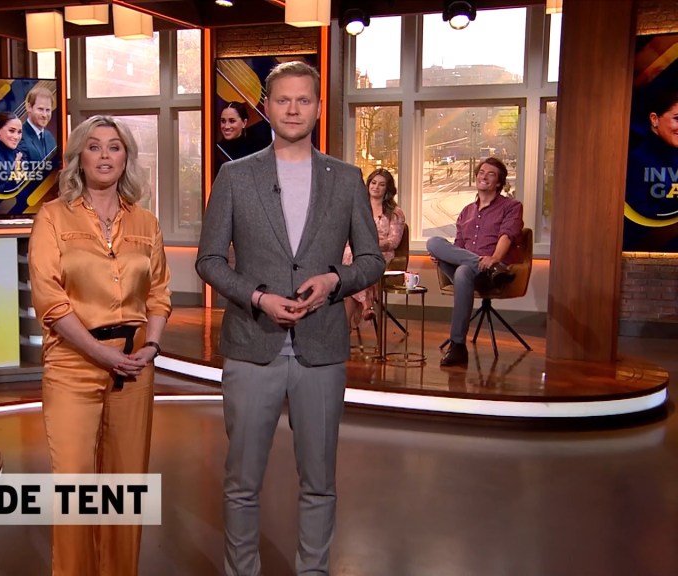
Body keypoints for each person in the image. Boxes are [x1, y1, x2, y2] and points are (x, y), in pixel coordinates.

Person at [196, 62, 385, 576]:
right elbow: (209, 260)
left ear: (319, 108)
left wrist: (333, 281)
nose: (294, 109)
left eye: (304, 100)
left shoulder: (346, 179)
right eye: (283, 100)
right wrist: (258, 297)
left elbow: (372, 260)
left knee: (320, 482)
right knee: (242, 482)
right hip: (251, 344)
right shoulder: (235, 176)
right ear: (267, 108)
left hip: (321, 347)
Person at [28, 115, 171, 576]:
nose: (105, 155)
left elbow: (159, 294)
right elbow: (50, 300)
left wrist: (151, 346)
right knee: (74, 488)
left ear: (126, 157)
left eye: (114, 147)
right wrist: (99, 352)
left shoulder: (146, 222)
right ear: (79, 158)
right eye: (94, 146)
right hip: (72, 364)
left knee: (126, 488)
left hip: (135, 366)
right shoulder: (52, 217)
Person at [426, 157, 523, 367]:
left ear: (499, 182)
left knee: (463, 272)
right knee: (433, 243)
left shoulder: (511, 206)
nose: (484, 176)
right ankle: (489, 267)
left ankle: (458, 346)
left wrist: (495, 259)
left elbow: (507, 234)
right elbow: (458, 245)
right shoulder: (466, 211)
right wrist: (444, 255)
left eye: (491, 174)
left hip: (488, 275)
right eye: (481, 172)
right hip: (474, 267)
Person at [342, 168, 405, 328]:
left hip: (382, 255)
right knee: (353, 257)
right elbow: (347, 235)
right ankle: (366, 305)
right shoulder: (357, 208)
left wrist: (370, 245)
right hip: (355, 252)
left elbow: (393, 242)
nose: (376, 187)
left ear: (387, 189)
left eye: (381, 184)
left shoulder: (395, 213)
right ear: (368, 184)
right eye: (373, 183)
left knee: (360, 264)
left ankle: (346, 328)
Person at [625, 89, 678, 248]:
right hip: (643, 247)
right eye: (677, 119)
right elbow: (640, 212)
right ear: (654, 119)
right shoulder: (634, 159)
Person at [0, 112, 28, 195]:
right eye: (11, 131)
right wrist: (15, 172)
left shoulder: (19, 152)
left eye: (19, 132)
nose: (16, 137)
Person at [18, 85, 57, 169]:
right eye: (40, 109)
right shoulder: (19, 136)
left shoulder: (49, 136)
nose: (44, 115)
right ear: (29, 107)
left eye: (48, 110)